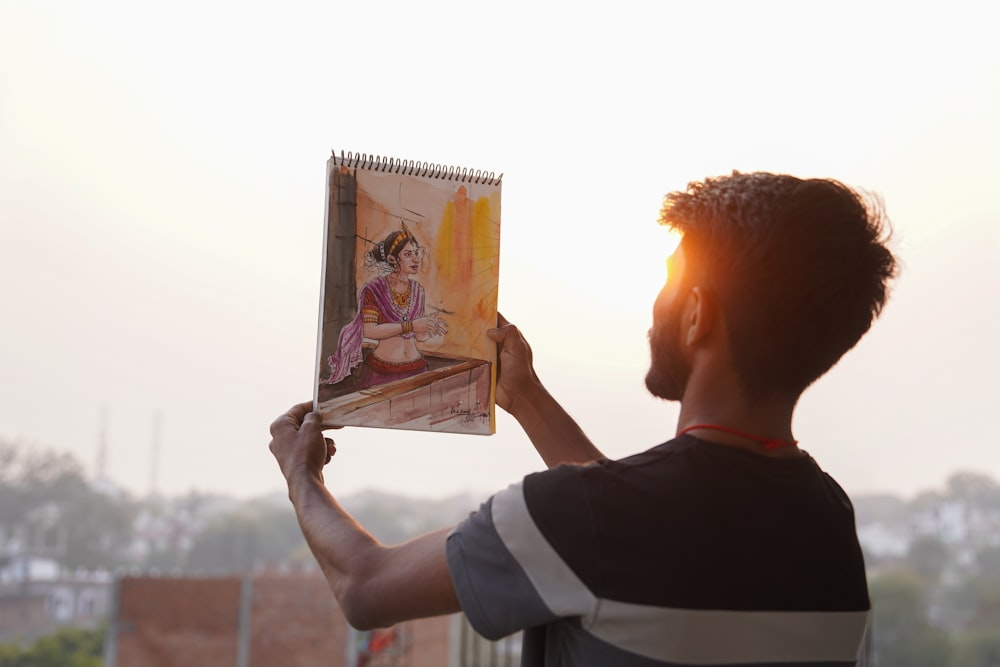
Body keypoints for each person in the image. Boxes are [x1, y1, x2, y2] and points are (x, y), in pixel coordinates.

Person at [270, 171, 897, 666]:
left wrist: (302, 475)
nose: (657, 304)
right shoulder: (829, 527)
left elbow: (365, 586)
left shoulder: (583, 518)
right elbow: (642, 534)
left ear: (697, 314)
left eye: (671, 279)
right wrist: (527, 396)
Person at [324, 223, 447, 389]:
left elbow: (417, 337)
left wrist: (429, 328)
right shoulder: (374, 289)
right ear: (392, 259)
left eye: (416, 253)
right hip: (382, 371)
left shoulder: (418, 290)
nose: (416, 259)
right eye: (408, 254)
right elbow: (369, 331)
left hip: (417, 368)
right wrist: (411, 325)